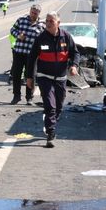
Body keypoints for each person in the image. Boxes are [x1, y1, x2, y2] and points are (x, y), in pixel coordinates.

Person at [25, 11, 79, 148]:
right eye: (47, 21)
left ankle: (51, 121)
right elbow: (31, 59)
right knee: (50, 105)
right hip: (44, 77)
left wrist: (74, 66)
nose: (48, 23)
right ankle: (50, 134)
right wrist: (29, 78)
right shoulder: (41, 38)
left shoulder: (66, 37)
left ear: (58, 23)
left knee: (59, 107)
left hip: (61, 77)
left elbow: (75, 53)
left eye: (51, 21)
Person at [9, 4, 44, 104]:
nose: (33, 14)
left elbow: (44, 39)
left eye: (35, 13)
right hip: (19, 52)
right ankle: (16, 96)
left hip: (32, 55)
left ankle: (29, 97)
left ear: (38, 14)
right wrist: (18, 36)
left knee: (30, 76)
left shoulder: (42, 25)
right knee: (16, 75)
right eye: (32, 12)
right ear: (30, 11)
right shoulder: (21, 20)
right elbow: (12, 30)